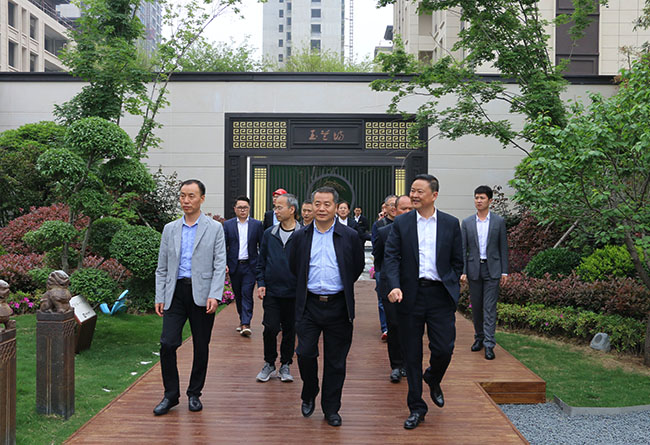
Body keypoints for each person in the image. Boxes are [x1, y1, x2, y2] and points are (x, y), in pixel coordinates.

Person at [384, 174, 463, 430]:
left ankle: (433, 377)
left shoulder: (450, 223)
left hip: (439, 295)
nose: (414, 195)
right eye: (412, 190)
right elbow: (391, 257)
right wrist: (394, 285)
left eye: (419, 191)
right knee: (412, 354)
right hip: (410, 295)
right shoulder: (402, 223)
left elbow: (457, 260)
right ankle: (417, 407)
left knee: (444, 348)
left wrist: (451, 281)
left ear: (434, 195)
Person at [289, 186, 365, 427]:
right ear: (311, 206)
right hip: (309, 305)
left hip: (339, 305)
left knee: (336, 361)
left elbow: (356, 267)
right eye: (317, 204)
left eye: (327, 204)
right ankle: (310, 389)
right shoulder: (300, 236)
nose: (321, 209)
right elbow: (294, 267)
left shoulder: (350, 236)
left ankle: (331, 408)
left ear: (336, 207)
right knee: (304, 353)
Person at [154, 179, 226, 416]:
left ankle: (194, 393)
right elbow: (162, 267)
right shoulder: (170, 228)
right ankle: (170, 395)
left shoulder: (214, 228)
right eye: (182, 195)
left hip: (202, 293)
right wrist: (160, 295)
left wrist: (215, 294)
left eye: (191, 196)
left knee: (201, 346)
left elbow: (219, 264)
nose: (186, 200)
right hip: (175, 293)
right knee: (168, 343)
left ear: (202, 199)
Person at [255, 193, 302, 382]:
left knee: (290, 330)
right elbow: (261, 262)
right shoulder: (269, 233)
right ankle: (269, 363)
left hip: (294, 292)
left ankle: (285, 365)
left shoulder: (303, 234)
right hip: (272, 291)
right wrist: (261, 283)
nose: (276, 211)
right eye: (275, 207)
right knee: (270, 328)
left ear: (292, 209)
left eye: (279, 207)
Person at [460, 185, 509, 360]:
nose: (478, 201)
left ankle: (489, 344)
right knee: (476, 307)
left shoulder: (498, 222)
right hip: (474, 269)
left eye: (482, 198)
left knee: (489, 308)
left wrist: (504, 272)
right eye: (476, 197)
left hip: (492, 269)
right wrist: (463, 271)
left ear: (490, 201)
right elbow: (463, 249)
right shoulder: (467, 223)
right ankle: (479, 337)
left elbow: (503, 247)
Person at [372, 195, 413, 383]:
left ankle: (409, 363)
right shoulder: (384, 232)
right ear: (395, 211)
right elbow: (379, 259)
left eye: (411, 209)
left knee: (411, 327)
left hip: (413, 287)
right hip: (390, 287)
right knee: (394, 325)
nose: (407, 212)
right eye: (404, 209)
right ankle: (396, 365)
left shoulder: (420, 232)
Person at [223, 196, 264, 336]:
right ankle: (242, 319)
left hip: (250, 266)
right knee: (238, 295)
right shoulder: (228, 225)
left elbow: (262, 245)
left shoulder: (256, 225)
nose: (242, 210)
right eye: (240, 207)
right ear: (235, 209)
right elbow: (223, 246)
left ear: (249, 209)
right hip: (234, 265)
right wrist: (224, 263)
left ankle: (246, 323)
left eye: (245, 207)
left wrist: (261, 264)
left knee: (247, 293)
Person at [371, 194, 397, 340]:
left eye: (396, 204)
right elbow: (376, 249)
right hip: (383, 267)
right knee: (383, 299)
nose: (394, 208)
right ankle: (385, 327)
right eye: (390, 205)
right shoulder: (379, 225)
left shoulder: (405, 223)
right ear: (385, 208)